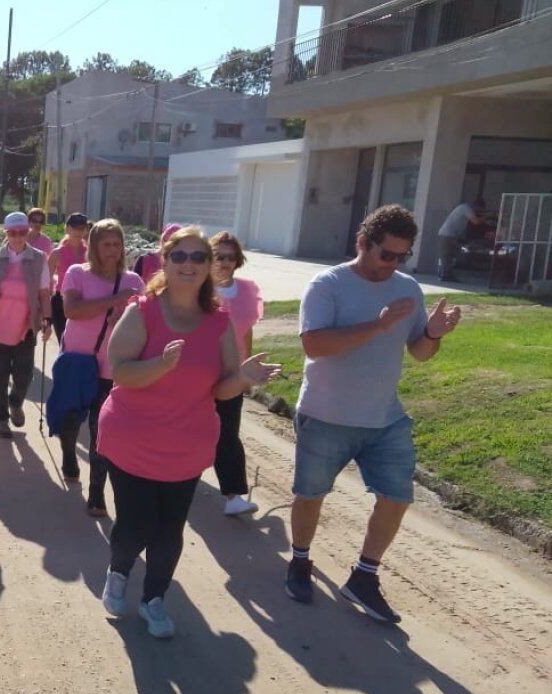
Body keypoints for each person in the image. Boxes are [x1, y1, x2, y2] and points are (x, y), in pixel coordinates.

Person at [97, 226, 280, 638]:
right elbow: (120, 371)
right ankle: (119, 568)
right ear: (165, 261)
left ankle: (154, 599)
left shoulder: (219, 322)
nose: (189, 264)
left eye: (199, 257)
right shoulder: (142, 310)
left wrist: (245, 378)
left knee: (169, 529)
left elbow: (222, 387)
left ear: (209, 267)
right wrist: (158, 367)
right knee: (135, 526)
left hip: (188, 443)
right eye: (180, 256)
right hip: (132, 439)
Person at [285, 204, 462, 624]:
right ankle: (299, 561)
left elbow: (419, 352)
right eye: (386, 254)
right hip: (327, 414)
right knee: (311, 495)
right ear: (362, 243)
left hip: (384, 418)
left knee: (397, 497)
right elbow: (315, 346)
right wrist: (377, 326)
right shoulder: (327, 284)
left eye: (401, 257)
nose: (393, 264)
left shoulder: (408, 290)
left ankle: (363, 577)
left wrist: (434, 334)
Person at [58, 219, 144, 516]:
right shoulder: (76, 274)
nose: (112, 250)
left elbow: (143, 325)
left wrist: (121, 319)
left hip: (111, 369)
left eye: (117, 244)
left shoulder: (134, 281)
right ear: (94, 246)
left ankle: (96, 492)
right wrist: (113, 301)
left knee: (101, 431)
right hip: (77, 361)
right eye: (106, 244)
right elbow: (71, 310)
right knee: (70, 421)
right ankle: (69, 453)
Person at [0, 211, 53, 439]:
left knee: (24, 375)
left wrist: (47, 320)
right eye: (13, 233)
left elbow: (44, 294)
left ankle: (15, 401)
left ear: (27, 232)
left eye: (22, 232)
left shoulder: (39, 259)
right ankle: (0, 419)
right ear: (6, 233)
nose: (18, 237)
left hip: (25, 327)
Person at [209, 231, 264, 516]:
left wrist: (249, 370)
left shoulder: (247, 291)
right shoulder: (199, 289)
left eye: (231, 257)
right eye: (219, 256)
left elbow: (247, 332)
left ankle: (233, 496)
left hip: (233, 374)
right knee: (191, 429)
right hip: (200, 373)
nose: (225, 262)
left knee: (228, 433)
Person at [47, 212, 88, 342]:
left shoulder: (90, 252)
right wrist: (45, 312)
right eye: (75, 227)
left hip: (84, 300)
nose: (78, 231)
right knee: (64, 341)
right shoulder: (57, 253)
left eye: (82, 228)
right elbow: (47, 283)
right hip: (61, 301)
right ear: (67, 228)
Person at [437, 198, 485, 282]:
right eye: (480, 210)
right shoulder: (466, 208)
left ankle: (447, 275)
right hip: (447, 235)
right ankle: (446, 275)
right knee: (449, 255)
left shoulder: (464, 208)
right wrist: (487, 217)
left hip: (450, 235)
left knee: (450, 256)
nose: (478, 212)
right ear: (477, 207)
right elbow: (476, 221)